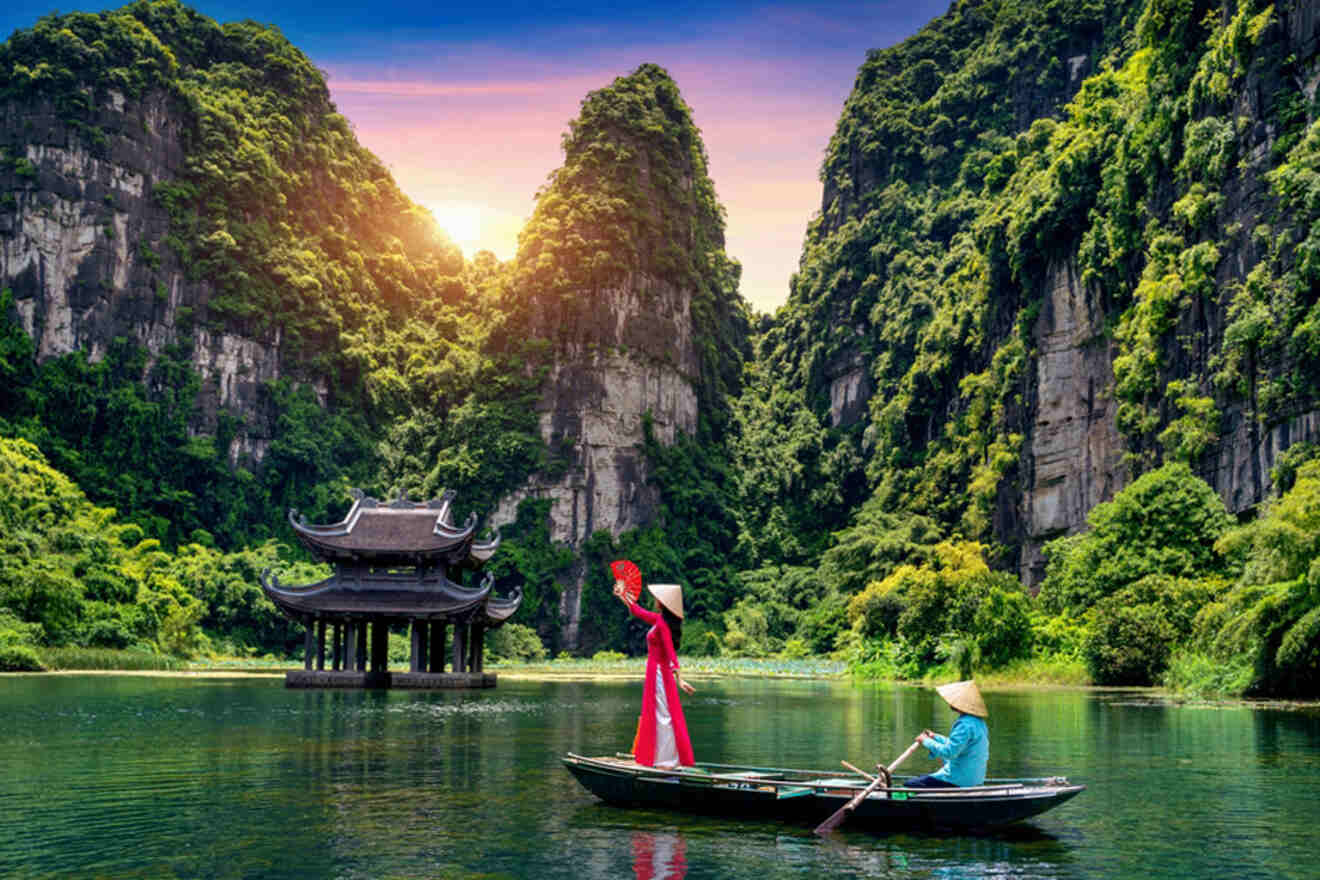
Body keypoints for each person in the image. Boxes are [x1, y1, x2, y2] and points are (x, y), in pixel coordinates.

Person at [613, 576, 695, 768]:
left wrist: (680, 680)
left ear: (664, 603)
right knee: (657, 713)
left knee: (663, 714)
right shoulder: (659, 620)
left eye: (658, 599)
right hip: (655, 672)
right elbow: (637, 611)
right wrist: (622, 595)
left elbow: (670, 653)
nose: (655, 601)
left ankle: (666, 760)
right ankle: (659, 757)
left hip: (660, 673)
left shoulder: (663, 626)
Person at [906, 679, 989, 788]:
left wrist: (925, 741)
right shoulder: (979, 722)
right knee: (921, 779)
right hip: (974, 779)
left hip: (960, 780)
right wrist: (935, 737)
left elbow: (949, 752)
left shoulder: (964, 725)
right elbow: (957, 745)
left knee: (910, 784)